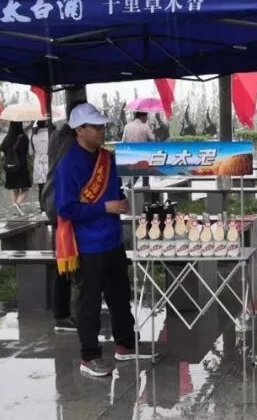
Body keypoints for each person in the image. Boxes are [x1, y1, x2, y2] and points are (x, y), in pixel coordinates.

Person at [55, 103, 154, 377]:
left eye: (102, 127)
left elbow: (116, 191)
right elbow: (66, 208)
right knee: (89, 303)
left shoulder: (107, 159)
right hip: (88, 246)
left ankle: (126, 345)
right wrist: (105, 207)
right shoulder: (69, 165)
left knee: (120, 297)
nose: (102, 131)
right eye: (96, 127)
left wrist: (120, 201)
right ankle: (89, 357)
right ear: (80, 130)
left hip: (113, 240)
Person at [45, 98, 86, 332]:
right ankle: (64, 315)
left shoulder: (57, 135)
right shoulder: (72, 142)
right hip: (65, 206)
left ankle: (66, 312)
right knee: (68, 259)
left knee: (64, 259)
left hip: (54, 202)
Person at [1, 121, 32, 216]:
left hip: (10, 167)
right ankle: (17, 204)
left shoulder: (7, 138)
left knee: (15, 189)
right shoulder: (23, 138)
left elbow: (2, 152)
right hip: (21, 167)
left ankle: (15, 211)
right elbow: (28, 152)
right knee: (25, 189)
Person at [31, 121, 51, 210]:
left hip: (38, 162)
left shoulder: (33, 136)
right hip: (49, 160)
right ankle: (50, 206)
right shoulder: (50, 134)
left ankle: (42, 208)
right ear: (46, 124)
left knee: (41, 187)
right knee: (51, 185)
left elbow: (30, 152)